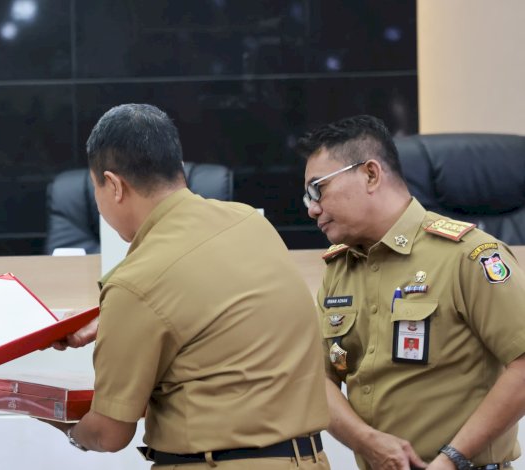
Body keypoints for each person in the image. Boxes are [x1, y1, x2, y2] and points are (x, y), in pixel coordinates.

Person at [45, 103, 330, 469]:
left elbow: (109, 434)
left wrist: (57, 421)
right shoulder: (250, 222)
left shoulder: (135, 282)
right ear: (178, 169)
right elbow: (215, 325)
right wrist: (114, 324)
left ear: (113, 185)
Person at [298, 115, 525, 470]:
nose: (312, 209)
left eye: (318, 189)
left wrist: (452, 459)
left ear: (370, 174)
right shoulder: (338, 270)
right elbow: (318, 378)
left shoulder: (467, 255)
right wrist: (367, 442)